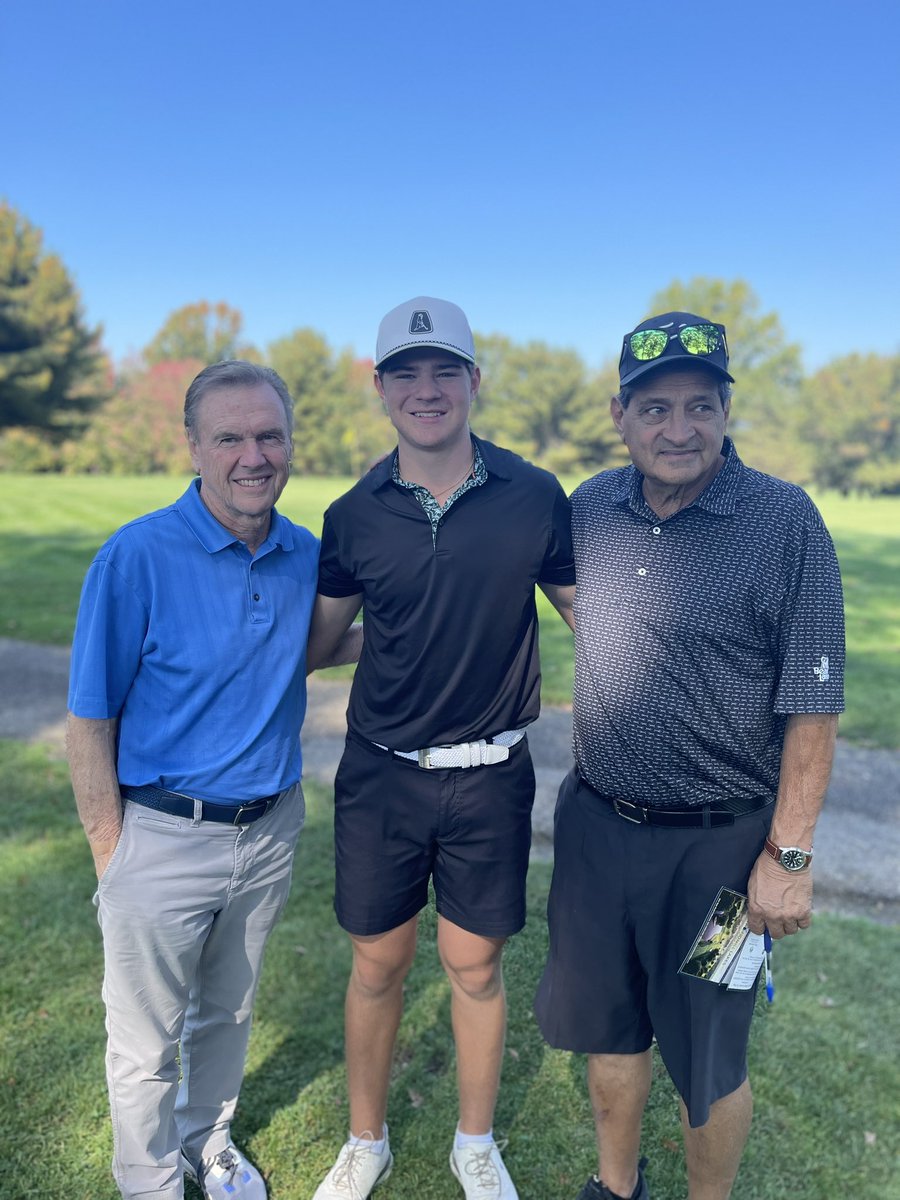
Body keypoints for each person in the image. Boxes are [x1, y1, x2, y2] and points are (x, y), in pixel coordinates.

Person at [534, 312, 845, 1200]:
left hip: (722, 851)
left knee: (710, 1055)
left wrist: (787, 858)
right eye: (657, 408)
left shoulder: (784, 520)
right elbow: (577, 606)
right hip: (597, 833)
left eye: (700, 406)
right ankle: (614, 1186)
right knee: (610, 1032)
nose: (679, 429)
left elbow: (814, 705)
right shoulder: (592, 505)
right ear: (619, 415)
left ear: (725, 410)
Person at [307, 297, 576, 1200]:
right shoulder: (353, 515)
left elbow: (589, 615)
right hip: (381, 777)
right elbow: (320, 642)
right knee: (378, 964)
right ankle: (366, 1139)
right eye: (407, 373)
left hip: (492, 776)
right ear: (381, 388)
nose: (427, 390)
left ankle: (474, 1142)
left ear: (473, 381)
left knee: (475, 966)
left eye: (445, 370)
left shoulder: (535, 495)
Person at [67, 360, 349, 1200]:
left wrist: (418, 634)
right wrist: (110, 851)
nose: (253, 456)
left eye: (269, 435)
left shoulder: (307, 555)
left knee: (227, 1012)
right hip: (157, 833)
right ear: (194, 445)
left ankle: (208, 1143)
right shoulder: (137, 557)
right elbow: (91, 718)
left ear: (291, 443)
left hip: (268, 830)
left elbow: (314, 651)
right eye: (230, 437)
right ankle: (149, 1180)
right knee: (145, 1040)